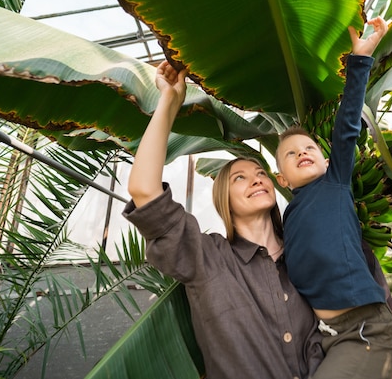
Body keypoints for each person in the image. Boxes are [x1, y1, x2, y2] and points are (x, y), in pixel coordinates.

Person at [123, 60, 323, 379]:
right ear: (223, 200)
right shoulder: (206, 258)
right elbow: (144, 191)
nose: (256, 178)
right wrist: (170, 101)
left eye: (260, 173)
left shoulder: (306, 254)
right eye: (239, 178)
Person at [275, 17, 392, 379]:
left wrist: (360, 59)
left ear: (328, 159)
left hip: (366, 330)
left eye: (309, 147)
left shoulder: (335, 183)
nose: (302, 153)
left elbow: (347, 127)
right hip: (323, 335)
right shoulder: (289, 215)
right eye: (290, 153)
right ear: (281, 179)